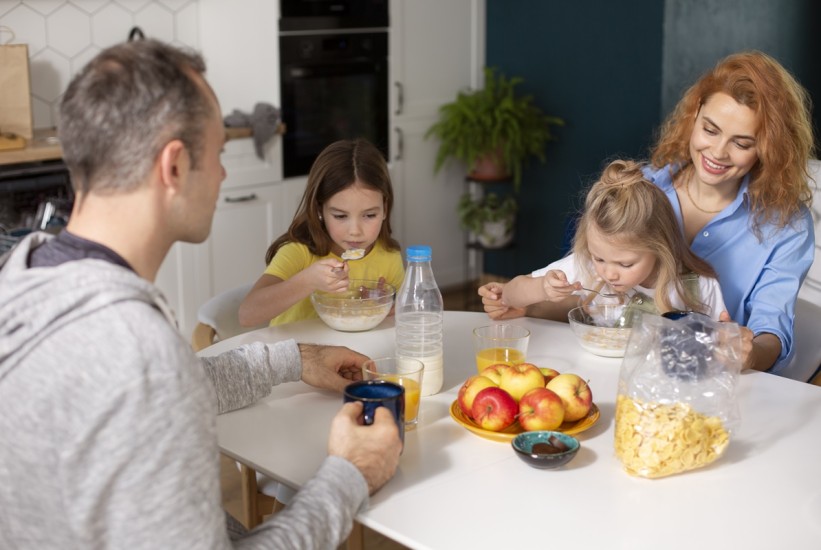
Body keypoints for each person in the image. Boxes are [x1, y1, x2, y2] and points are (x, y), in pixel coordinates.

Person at [0, 39, 401, 549]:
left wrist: (293, 359)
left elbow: (149, 393)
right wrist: (350, 475)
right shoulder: (136, 351)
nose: (223, 174)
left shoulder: (27, 275)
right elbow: (149, 382)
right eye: (217, 154)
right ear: (173, 166)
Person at [482, 51, 814, 374]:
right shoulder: (640, 189)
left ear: (768, 146)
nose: (718, 151)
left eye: (742, 143)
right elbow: (587, 294)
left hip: (714, 381)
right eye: (710, 130)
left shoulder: (786, 224)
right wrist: (527, 299)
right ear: (695, 113)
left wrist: (748, 351)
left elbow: (773, 333)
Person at [500, 160, 727, 323]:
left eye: (625, 264)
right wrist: (543, 288)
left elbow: (725, 349)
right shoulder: (587, 266)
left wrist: (727, 341)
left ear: (660, 247)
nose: (609, 273)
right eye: (599, 258)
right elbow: (509, 295)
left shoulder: (698, 287)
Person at [238, 139, 405, 327]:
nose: (355, 231)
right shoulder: (299, 253)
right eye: (341, 216)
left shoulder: (389, 257)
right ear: (319, 210)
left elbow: (404, 314)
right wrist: (307, 281)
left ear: (384, 209)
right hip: (296, 353)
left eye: (370, 215)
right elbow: (247, 314)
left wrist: (385, 307)